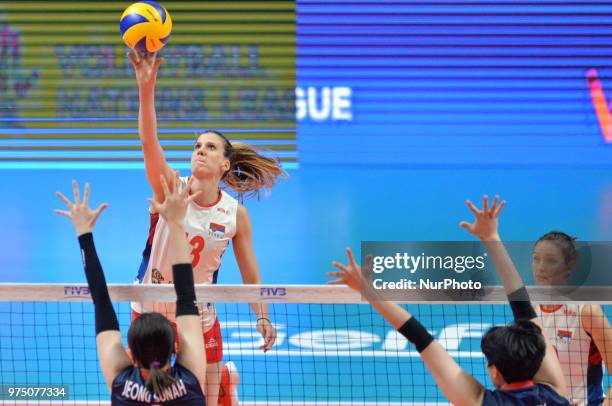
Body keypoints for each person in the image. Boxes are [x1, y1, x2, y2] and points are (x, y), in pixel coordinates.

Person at [127, 51, 283, 406]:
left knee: (205, 402)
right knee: (148, 395)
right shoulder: (170, 188)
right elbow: (149, 143)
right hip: (150, 306)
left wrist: (261, 317)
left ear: (225, 164)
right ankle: (219, 377)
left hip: (198, 311)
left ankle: (224, 379)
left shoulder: (234, 214)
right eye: (196, 146)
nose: (199, 151)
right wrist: (145, 88)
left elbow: (250, 274)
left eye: (209, 148)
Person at [329, 196, 569, 405]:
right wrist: (492, 238)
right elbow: (524, 311)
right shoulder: (554, 393)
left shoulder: (481, 401)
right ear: (537, 358)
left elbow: (421, 337)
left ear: (494, 371)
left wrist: (368, 290)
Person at [54, 176, 207, 404]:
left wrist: (83, 234)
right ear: (176, 348)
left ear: (131, 356)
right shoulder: (190, 380)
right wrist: (176, 223)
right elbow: (186, 292)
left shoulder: (121, 384)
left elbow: (100, 300)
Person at [530, 231, 612, 405]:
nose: (541, 267)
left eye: (551, 261)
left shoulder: (587, 311)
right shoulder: (528, 309)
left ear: (570, 265)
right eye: (536, 259)